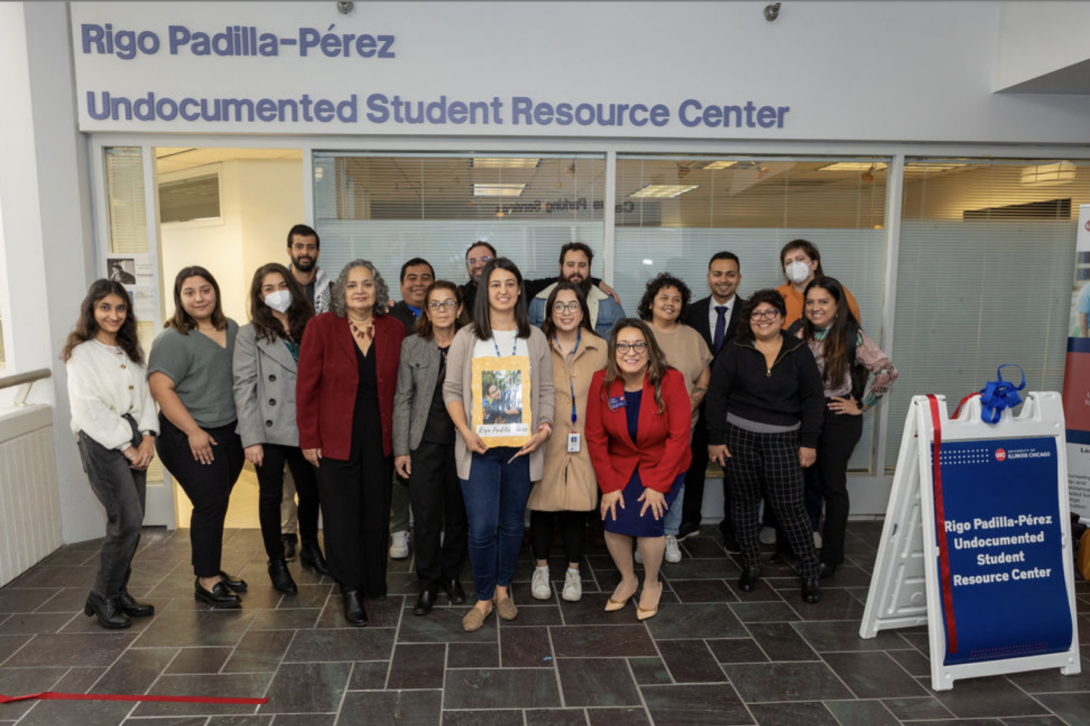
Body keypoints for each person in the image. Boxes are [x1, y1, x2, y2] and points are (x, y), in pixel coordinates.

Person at [444, 258, 554, 632]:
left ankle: (503, 591)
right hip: (479, 449)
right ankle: (483, 597)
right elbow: (452, 391)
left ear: (519, 289)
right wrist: (464, 431)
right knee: (481, 528)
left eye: (510, 283)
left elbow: (546, 393)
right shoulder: (467, 337)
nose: (503, 290)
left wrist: (544, 428)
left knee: (511, 525)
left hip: (522, 449)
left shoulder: (534, 338)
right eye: (495, 284)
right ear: (484, 291)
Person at [297, 260, 405, 626]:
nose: (360, 290)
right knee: (342, 516)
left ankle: (374, 580)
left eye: (368, 284)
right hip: (333, 440)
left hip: (379, 438)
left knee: (376, 510)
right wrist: (308, 437)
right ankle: (351, 590)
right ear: (341, 291)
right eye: (352, 285)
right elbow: (306, 388)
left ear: (378, 290)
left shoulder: (394, 329)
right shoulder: (322, 327)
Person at [705, 289, 825, 604]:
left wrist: (808, 442)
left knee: (790, 507)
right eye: (757, 313)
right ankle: (751, 563)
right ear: (749, 319)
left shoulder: (798, 350)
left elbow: (813, 398)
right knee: (743, 505)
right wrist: (715, 438)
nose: (763, 318)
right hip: (738, 438)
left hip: (785, 440)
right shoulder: (736, 348)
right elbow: (716, 395)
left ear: (783, 318)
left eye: (771, 312)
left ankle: (810, 568)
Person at [149, 267, 247, 608]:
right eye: (189, 292)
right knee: (208, 503)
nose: (199, 297)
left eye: (205, 290)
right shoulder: (172, 338)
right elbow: (161, 388)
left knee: (217, 502)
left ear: (215, 292)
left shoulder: (231, 328)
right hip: (186, 435)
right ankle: (206, 581)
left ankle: (212, 567)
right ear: (179, 298)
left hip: (228, 433)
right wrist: (193, 432)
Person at [63, 279, 158, 629]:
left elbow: (147, 396)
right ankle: (102, 595)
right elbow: (89, 409)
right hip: (102, 441)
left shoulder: (131, 350)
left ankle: (118, 592)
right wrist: (127, 444)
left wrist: (147, 436)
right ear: (92, 310)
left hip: (134, 435)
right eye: (105, 307)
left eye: (120, 308)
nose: (113, 315)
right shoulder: (81, 353)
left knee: (134, 522)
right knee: (126, 519)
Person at [232, 263, 329, 596]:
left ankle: (310, 548)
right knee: (271, 498)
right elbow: (244, 387)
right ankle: (276, 561)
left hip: (307, 428)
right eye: (267, 288)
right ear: (259, 296)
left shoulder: (311, 327)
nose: (276, 293)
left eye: (281, 285)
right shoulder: (250, 334)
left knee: (311, 493)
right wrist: (251, 437)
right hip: (269, 432)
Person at [585, 319, 691, 621]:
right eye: (623, 345)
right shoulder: (601, 381)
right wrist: (608, 485)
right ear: (613, 350)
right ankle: (628, 578)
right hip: (621, 463)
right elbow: (595, 435)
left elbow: (679, 437)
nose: (630, 351)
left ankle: (651, 582)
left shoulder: (670, 379)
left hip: (664, 463)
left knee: (648, 519)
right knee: (613, 516)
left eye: (638, 344)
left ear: (649, 349)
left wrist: (658, 485)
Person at [793, 277, 898, 577]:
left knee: (832, 487)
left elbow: (888, 371)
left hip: (838, 418)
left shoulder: (853, 335)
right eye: (810, 302)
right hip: (804, 417)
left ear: (837, 306)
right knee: (801, 484)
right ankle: (799, 547)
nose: (815, 308)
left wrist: (861, 406)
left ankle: (831, 556)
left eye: (823, 302)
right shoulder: (797, 333)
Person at [769, 238, 862, 547]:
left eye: (799, 258)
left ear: (814, 262)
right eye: (787, 261)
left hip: (833, 409)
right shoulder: (785, 307)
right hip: (796, 408)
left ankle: (819, 535)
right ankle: (788, 534)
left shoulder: (841, 299)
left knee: (826, 478)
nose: (816, 308)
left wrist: (859, 403)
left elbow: (862, 356)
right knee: (791, 473)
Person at [393, 280, 470, 616]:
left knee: (457, 515)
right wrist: (401, 449)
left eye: (448, 303)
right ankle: (427, 582)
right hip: (422, 443)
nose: (442, 310)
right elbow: (403, 398)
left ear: (460, 308)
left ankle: (451, 576)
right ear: (426, 310)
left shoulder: (474, 344)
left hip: (464, 443)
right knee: (424, 516)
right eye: (435, 304)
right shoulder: (412, 345)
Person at [529, 282, 608, 603]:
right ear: (549, 312)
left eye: (572, 305)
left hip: (585, 440)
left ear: (582, 311)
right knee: (542, 506)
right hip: (545, 437)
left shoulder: (600, 347)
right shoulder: (535, 345)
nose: (566, 312)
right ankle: (541, 568)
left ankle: (574, 571)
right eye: (559, 306)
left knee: (578, 508)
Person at [637, 273, 711, 564]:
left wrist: (695, 399)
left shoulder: (692, 336)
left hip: (683, 426)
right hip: (642, 426)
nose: (670, 303)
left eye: (676, 299)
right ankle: (644, 534)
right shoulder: (637, 331)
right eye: (664, 297)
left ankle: (669, 533)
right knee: (642, 480)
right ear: (651, 302)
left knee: (674, 481)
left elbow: (705, 370)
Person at [682, 252, 745, 552]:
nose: (723, 280)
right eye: (718, 274)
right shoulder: (690, 312)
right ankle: (688, 522)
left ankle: (732, 528)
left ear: (739, 278)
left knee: (734, 470)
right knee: (691, 465)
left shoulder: (751, 313)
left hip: (736, 408)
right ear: (708, 277)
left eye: (730, 274)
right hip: (698, 403)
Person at [281, 223, 334, 560]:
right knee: (286, 471)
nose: (305, 252)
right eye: (299, 246)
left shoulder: (329, 286)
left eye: (310, 247)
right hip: (285, 380)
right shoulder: (276, 285)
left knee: (312, 471)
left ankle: (313, 540)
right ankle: (287, 533)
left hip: (321, 381)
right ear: (289, 250)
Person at [387, 257, 436, 560]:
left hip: (436, 409)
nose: (418, 283)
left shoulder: (446, 316)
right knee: (400, 471)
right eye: (411, 278)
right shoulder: (389, 318)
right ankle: (398, 529)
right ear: (402, 283)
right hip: (400, 403)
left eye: (425, 277)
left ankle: (435, 527)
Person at [527, 242, 626, 339]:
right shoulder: (539, 303)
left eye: (582, 265)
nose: (576, 271)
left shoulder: (610, 304)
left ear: (589, 267)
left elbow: (622, 344)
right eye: (570, 265)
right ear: (561, 267)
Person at [776, 239, 861, 328]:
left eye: (800, 259)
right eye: (788, 262)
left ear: (814, 264)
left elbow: (852, 329)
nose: (794, 266)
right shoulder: (777, 295)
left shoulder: (837, 291)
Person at [460, 240, 496, 313]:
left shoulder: (510, 291)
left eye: (485, 259)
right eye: (472, 261)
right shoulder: (460, 296)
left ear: (496, 264)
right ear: (467, 267)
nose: (478, 265)